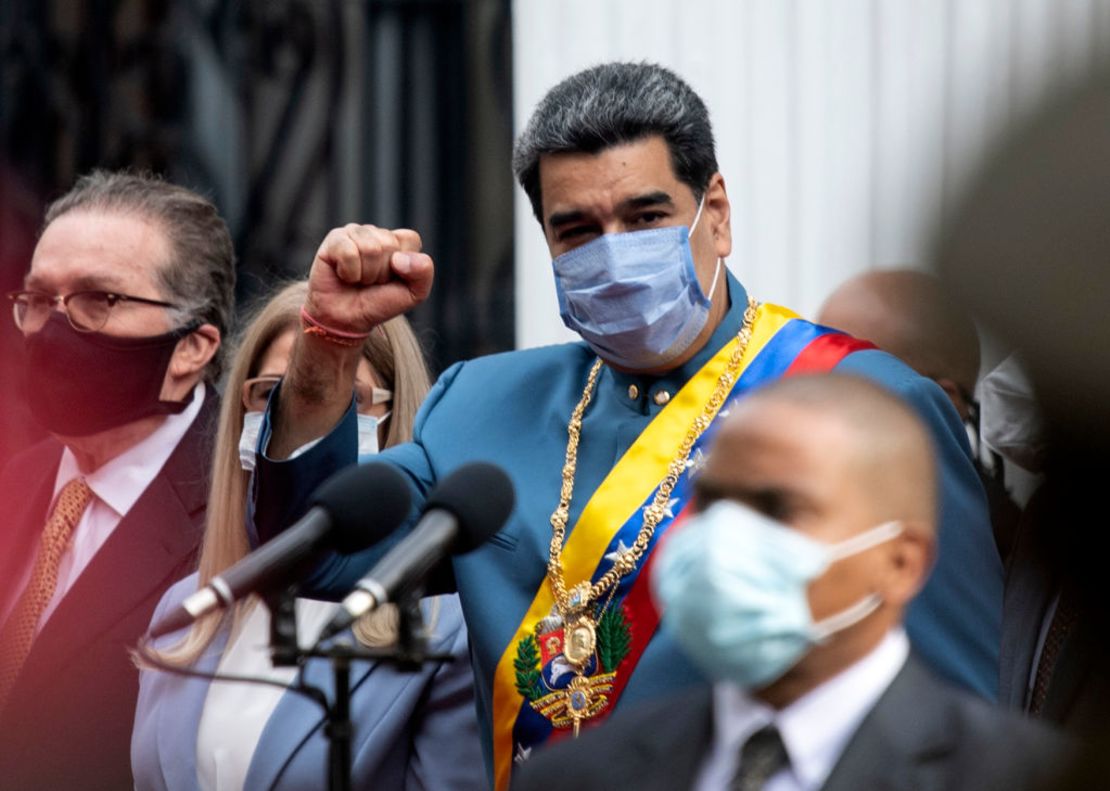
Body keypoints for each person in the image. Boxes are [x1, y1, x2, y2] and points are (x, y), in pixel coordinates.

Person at [251, 62, 1002, 790]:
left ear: (716, 211)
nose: (613, 253)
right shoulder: (480, 403)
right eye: (575, 229)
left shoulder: (867, 399)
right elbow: (317, 559)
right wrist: (329, 345)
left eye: (645, 217)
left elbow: (959, 719)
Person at [515, 375, 1068, 791]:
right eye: (711, 502)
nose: (727, 534)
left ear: (901, 563)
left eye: (778, 509)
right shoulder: (577, 777)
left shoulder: (1026, 777)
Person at [131, 281, 485, 790]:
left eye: (347, 399)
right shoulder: (185, 612)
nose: (307, 423)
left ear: (396, 413)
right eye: (270, 394)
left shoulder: (450, 629)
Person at [0, 170, 234, 789]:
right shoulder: (13, 482)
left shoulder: (247, 511)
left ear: (192, 348)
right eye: (39, 300)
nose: (53, 330)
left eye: (97, 301)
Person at [816, 268, 1021, 561]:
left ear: (943, 401)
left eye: (850, 381)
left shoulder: (997, 550)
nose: (811, 399)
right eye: (814, 371)